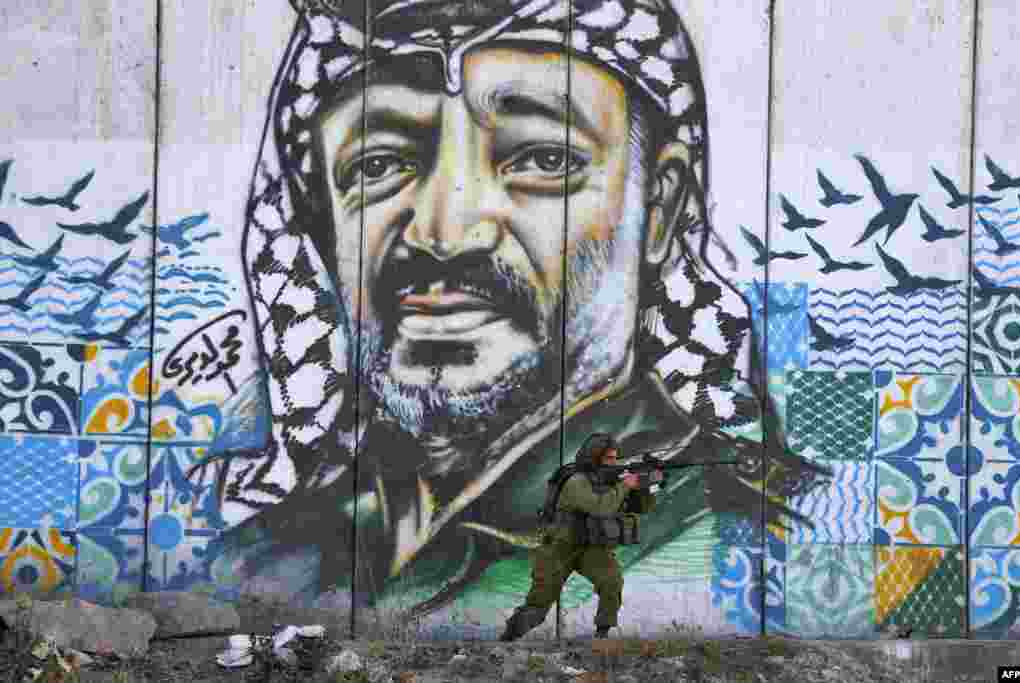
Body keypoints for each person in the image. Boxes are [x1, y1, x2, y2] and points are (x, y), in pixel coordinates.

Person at [193, 0, 831, 630]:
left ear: (658, 210)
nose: (444, 233)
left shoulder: (725, 541)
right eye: (378, 165)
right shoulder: (267, 557)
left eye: (543, 160)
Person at [500, 433, 663, 641]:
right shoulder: (576, 481)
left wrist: (648, 484)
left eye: (616, 458)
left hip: (592, 546)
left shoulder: (612, 481)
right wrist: (625, 485)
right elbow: (599, 507)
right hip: (560, 547)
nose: (614, 463)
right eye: (609, 459)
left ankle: (601, 636)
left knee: (611, 582)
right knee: (537, 608)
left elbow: (641, 508)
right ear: (594, 458)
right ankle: (507, 639)